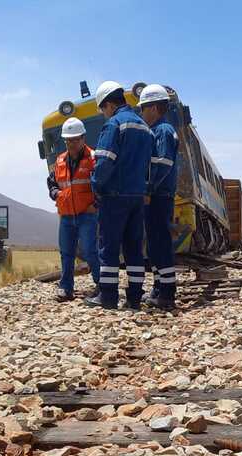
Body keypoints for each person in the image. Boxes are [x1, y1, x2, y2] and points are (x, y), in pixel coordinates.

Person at [86, 81, 152, 310]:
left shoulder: (114, 125)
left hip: (115, 196)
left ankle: (108, 297)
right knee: (134, 249)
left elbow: (104, 163)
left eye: (103, 109)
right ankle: (134, 298)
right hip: (137, 196)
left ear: (109, 104)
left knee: (109, 248)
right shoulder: (144, 127)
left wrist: (96, 186)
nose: (104, 114)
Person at [46, 117, 100, 301]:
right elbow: (52, 182)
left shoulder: (93, 158)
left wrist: (97, 205)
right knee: (67, 252)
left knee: (90, 250)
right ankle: (66, 288)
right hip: (67, 215)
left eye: (76, 139)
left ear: (83, 138)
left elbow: (102, 183)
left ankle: (101, 285)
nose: (72, 143)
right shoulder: (60, 160)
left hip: (87, 214)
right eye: (69, 140)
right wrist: (55, 194)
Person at [139, 84, 179, 310]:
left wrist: (148, 189)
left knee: (160, 243)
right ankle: (158, 287)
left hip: (159, 196)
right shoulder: (160, 130)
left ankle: (167, 293)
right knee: (154, 244)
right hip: (158, 195)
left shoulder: (162, 131)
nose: (142, 114)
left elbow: (162, 164)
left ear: (153, 108)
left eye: (143, 108)